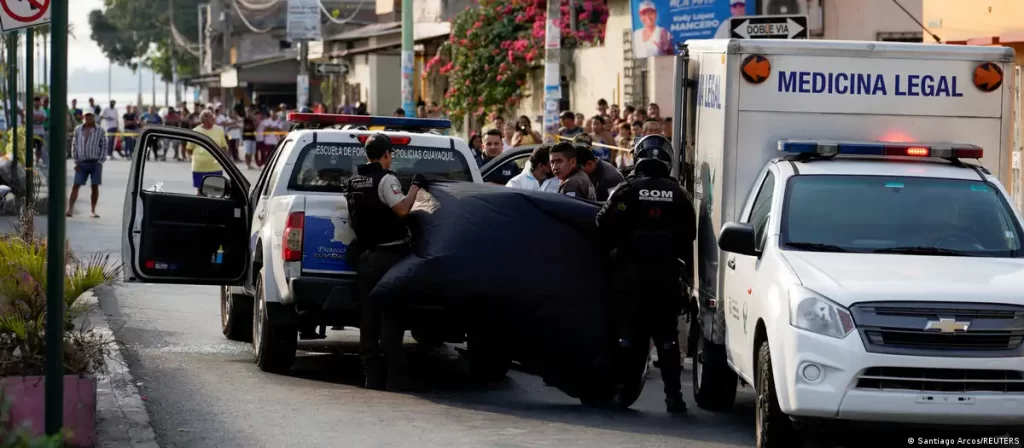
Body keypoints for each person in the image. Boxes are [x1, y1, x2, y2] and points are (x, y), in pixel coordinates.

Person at [595, 134, 695, 414]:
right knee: (667, 339)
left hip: (630, 279)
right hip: (665, 279)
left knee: (628, 336)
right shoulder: (679, 193)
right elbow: (691, 234)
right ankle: (674, 397)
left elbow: (603, 224)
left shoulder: (626, 189)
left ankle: (623, 393)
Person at [345, 134, 427, 392]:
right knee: (391, 317)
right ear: (387, 155)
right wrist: (415, 186)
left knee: (368, 320)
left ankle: (372, 376)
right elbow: (402, 210)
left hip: (365, 259)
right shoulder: (387, 179)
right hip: (390, 258)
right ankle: (396, 377)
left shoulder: (352, 181)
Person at [66, 111, 107, 218]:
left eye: (90, 116)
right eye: (86, 116)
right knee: (76, 185)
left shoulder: (100, 130)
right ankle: (70, 209)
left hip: (95, 162)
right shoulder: (78, 129)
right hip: (81, 162)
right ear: (83, 117)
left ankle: (93, 210)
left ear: (93, 117)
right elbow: (74, 145)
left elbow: (104, 146)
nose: (88, 118)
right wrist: (75, 161)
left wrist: (100, 161)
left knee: (94, 186)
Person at [187, 110, 229, 194]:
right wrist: (197, 158)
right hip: (199, 168)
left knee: (216, 192)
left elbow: (224, 147)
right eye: (212, 116)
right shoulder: (196, 131)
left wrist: (222, 158)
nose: (214, 118)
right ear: (205, 119)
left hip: (215, 167)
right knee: (201, 191)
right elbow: (189, 148)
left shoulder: (219, 130)